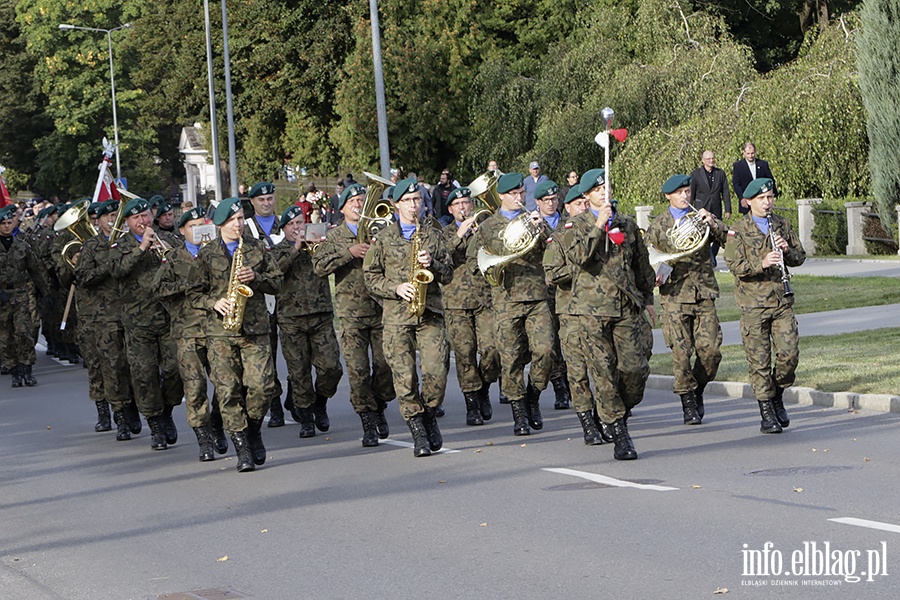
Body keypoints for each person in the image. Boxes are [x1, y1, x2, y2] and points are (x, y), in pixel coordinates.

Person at [560, 168, 656, 460]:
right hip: (591, 312)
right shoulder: (573, 227)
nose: (605, 193)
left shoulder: (626, 224)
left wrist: (649, 297)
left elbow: (641, 266)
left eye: (607, 188)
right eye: (598, 190)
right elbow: (577, 258)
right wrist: (598, 227)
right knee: (603, 372)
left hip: (626, 308)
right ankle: (619, 433)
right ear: (587, 196)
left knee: (634, 370)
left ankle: (619, 415)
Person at [192, 197, 283, 471]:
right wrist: (214, 303)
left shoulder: (257, 248)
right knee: (228, 391)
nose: (238, 224)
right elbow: (193, 293)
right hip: (220, 333)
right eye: (232, 221)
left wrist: (256, 277)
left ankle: (253, 428)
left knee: (263, 386)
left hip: (255, 329)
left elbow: (277, 282)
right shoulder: (207, 254)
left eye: (241, 219)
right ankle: (242, 446)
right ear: (220, 224)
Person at [363, 177, 453, 457]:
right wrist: (396, 287)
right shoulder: (384, 237)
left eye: (418, 200)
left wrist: (433, 264)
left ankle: (429, 414)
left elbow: (448, 273)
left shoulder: (433, 234)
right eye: (408, 201)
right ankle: (417, 431)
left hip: (430, 313)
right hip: (397, 317)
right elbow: (370, 277)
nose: (415, 205)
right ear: (396, 204)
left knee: (437, 372)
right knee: (403, 377)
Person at [467, 172, 556, 436]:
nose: (519, 198)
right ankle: (519, 412)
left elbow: (555, 250)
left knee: (546, 351)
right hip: (505, 299)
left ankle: (533, 396)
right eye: (514, 195)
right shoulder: (487, 228)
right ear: (502, 197)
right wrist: (495, 265)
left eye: (521, 194)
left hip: (537, 295)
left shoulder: (532, 220)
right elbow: (475, 263)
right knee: (511, 357)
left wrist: (545, 229)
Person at [313, 183, 395, 447]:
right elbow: (319, 266)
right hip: (351, 315)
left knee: (386, 366)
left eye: (362, 200)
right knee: (358, 371)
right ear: (343, 207)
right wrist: (348, 253)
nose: (359, 205)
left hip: (382, 309)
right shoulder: (334, 236)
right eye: (353, 202)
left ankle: (380, 404)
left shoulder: (381, 231)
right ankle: (368, 420)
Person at [646, 175, 728, 425]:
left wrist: (713, 222)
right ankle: (687, 403)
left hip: (703, 292)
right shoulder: (659, 226)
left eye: (687, 191)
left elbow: (728, 239)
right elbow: (648, 259)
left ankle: (698, 387)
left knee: (711, 352)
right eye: (680, 192)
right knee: (681, 353)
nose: (685, 196)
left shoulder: (700, 217)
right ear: (668, 196)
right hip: (674, 296)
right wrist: (655, 277)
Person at [725, 178, 805, 434]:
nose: (768, 202)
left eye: (770, 197)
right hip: (753, 305)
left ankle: (777, 393)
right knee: (758, 361)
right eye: (762, 199)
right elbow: (734, 266)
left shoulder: (781, 224)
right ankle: (766, 412)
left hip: (781, 301)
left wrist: (787, 250)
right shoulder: (737, 230)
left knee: (789, 355)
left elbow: (800, 257)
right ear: (748, 202)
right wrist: (762, 262)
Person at [108, 198, 185, 451]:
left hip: (168, 318)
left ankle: (167, 411)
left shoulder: (169, 240)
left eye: (145, 216)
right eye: (136, 218)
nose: (142, 221)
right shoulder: (120, 246)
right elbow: (117, 270)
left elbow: (186, 268)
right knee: (144, 375)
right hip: (138, 322)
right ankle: (156, 425)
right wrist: (141, 248)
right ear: (127, 222)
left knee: (175, 370)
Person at [152, 207, 224, 461]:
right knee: (194, 388)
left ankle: (217, 422)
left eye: (201, 225)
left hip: (218, 330)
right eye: (191, 226)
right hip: (188, 332)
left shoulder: (217, 254)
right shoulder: (173, 258)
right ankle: (203, 437)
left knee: (226, 386)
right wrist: (185, 287)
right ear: (182, 230)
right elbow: (158, 288)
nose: (198, 231)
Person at [272, 205, 343, 439]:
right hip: (291, 319)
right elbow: (275, 273)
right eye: (292, 225)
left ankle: (320, 402)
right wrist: (295, 249)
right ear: (284, 229)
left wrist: (325, 241)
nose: (297, 228)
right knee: (299, 371)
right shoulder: (278, 250)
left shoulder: (318, 246)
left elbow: (333, 263)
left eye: (301, 223)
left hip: (321, 315)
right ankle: (305, 416)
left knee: (331, 367)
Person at [543, 187, 603, 444]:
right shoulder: (559, 237)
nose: (583, 207)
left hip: (600, 311)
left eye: (585, 203)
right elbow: (553, 274)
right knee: (577, 371)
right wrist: (581, 269)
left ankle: (605, 416)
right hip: (570, 313)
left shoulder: (602, 231)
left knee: (603, 368)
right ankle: (587, 422)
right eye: (578, 204)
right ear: (567, 208)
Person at [441, 187, 499, 426]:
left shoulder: (484, 230)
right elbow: (439, 257)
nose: (463, 208)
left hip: (484, 298)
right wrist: (459, 237)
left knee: (492, 350)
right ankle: (472, 402)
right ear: (451, 209)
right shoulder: (443, 233)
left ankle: (484, 386)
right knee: (465, 355)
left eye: (467, 203)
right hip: (456, 303)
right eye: (458, 205)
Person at [243, 182, 289, 427]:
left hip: (290, 298)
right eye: (261, 200)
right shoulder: (247, 228)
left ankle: (297, 396)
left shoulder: (285, 223)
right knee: (267, 355)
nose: (266, 203)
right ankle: (275, 404)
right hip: (263, 300)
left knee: (296, 356)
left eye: (270, 198)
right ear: (253, 202)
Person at [0, 205, 49, 388]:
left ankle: (27, 370)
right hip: (2, 297)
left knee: (24, 332)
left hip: (20, 294)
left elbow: (35, 270)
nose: (6, 226)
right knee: (5, 337)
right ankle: (14, 371)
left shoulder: (22, 245)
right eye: (3, 223)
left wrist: (44, 292)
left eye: (9, 222)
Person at [533, 179, 572, 409]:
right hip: (544, 290)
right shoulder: (530, 223)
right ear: (537, 202)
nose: (551, 204)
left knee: (568, 338)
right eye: (546, 200)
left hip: (566, 288)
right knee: (552, 341)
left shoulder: (567, 221)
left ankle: (569, 382)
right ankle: (560, 387)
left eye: (554, 199)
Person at [690, 150, 731, 266]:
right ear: (703, 161)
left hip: (716, 209)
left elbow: (725, 192)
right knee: (705, 236)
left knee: (719, 234)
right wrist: (690, 210)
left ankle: (712, 257)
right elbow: (691, 194)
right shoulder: (695, 174)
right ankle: (711, 260)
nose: (711, 161)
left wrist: (728, 209)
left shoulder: (720, 173)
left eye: (713, 158)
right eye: (708, 159)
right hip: (701, 210)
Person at [732, 143, 776, 215]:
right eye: (748, 153)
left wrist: (772, 196)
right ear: (744, 153)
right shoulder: (738, 166)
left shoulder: (763, 164)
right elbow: (736, 184)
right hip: (747, 201)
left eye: (752, 153)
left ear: (755, 152)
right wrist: (742, 198)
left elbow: (770, 180)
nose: (750, 156)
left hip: (762, 201)